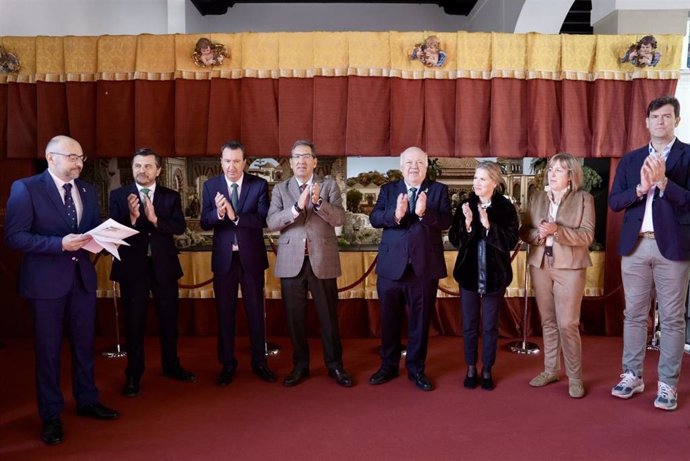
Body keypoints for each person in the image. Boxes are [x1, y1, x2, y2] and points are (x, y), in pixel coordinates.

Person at [5, 135, 119, 445]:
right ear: (51, 157)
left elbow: (91, 231)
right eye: (72, 157)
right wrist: (58, 244)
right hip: (45, 285)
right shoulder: (26, 188)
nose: (79, 163)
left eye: (81, 157)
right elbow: (14, 236)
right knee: (49, 352)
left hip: (81, 280)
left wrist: (107, 238)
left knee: (84, 346)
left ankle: (87, 400)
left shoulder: (87, 190)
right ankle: (51, 415)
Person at [609, 95, 690, 411]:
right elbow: (616, 202)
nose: (660, 122)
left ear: (676, 121)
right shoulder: (630, 161)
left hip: (673, 248)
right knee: (634, 314)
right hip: (636, 246)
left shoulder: (687, 156)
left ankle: (668, 385)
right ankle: (632, 375)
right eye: (655, 117)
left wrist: (665, 183)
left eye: (667, 117)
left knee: (671, 318)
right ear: (646, 122)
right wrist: (641, 189)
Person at [109, 148, 195, 398]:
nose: (142, 170)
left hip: (164, 268)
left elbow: (178, 226)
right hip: (132, 269)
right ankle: (133, 373)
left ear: (158, 169)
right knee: (134, 323)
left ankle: (171, 365)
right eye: (138, 166)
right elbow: (112, 230)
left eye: (148, 166)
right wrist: (134, 220)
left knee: (169, 319)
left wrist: (156, 220)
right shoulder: (119, 195)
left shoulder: (170, 196)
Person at [266, 140, 353, 388]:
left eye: (306, 157)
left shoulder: (327, 185)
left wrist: (317, 203)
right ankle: (300, 366)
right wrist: (296, 208)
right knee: (295, 319)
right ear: (290, 163)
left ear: (315, 161)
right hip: (291, 261)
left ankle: (335, 365)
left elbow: (339, 218)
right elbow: (272, 222)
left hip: (322, 260)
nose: (301, 161)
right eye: (296, 157)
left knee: (328, 317)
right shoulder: (281, 189)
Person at [369, 146, 452, 391]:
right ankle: (388, 365)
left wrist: (425, 213)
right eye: (409, 163)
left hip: (424, 268)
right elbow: (375, 219)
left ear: (426, 166)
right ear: (401, 166)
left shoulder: (438, 191)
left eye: (419, 163)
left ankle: (416, 369)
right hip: (391, 268)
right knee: (389, 320)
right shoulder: (388, 189)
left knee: (420, 322)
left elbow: (446, 221)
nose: (414, 167)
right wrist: (395, 214)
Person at [200, 140, 276, 386]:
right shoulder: (211, 186)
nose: (231, 166)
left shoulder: (259, 185)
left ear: (245, 162)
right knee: (225, 313)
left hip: (251, 259)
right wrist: (219, 213)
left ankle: (260, 363)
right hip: (224, 260)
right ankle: (228, 364)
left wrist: (235, 215)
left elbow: (263, 220)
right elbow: (204, 221)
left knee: (255, 312)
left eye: (236, 161)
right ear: (220, 162)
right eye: (227, 161)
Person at [519, 153, 594, 398]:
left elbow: (586, 236)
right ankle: (550, 369)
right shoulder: (537, 197)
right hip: (540, 264)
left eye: (559, 170)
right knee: (548, 321)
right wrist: (538, 235)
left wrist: (557, 231)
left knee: (567, 324)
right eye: (551, 169)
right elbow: (524, 231)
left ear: (571, 176)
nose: (552, 174)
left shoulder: (584, 199)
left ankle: (575, 377)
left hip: (570, 267)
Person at [448, 161, 519, 391]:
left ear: (495, 183)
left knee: (489, 326)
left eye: (482, 179)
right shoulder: (465, 206)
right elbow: (455, 240)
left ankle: (487, 368)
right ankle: (470, 367)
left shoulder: (505, 208)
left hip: (495, 276)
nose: (476, 183)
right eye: (475, 178)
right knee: (468, 325)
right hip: (468, 275)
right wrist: (468, 224)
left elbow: (510, 241)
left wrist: (488, 226)